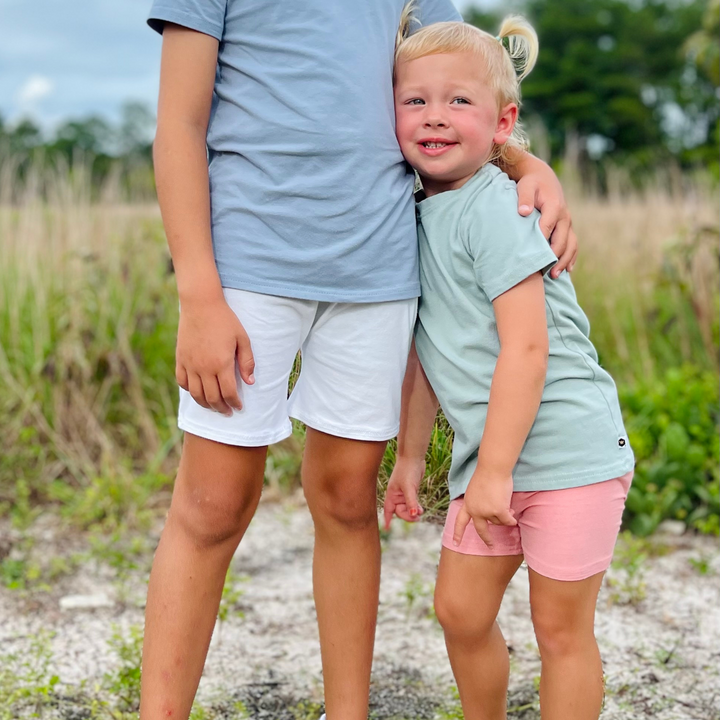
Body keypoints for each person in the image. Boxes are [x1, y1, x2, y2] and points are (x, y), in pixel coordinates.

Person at [141, 1, 578, 717]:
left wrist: (529, 163)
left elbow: (458, 76)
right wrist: (199, 293)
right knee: (213, 504)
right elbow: (180, 125)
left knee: (348, 498)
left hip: (376, 272)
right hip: (246, 267)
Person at [384, 15, 635, 720]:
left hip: (566, 454)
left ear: (503, 121)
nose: (435, 117)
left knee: (561, 629)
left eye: (459, 101)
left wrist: (495, 471)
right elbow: (429, 351)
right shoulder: (412, 213)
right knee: (460, 612)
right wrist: (410, 457)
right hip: (488, 462)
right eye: (415, 101)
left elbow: (527, 348)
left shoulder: (497, 207)